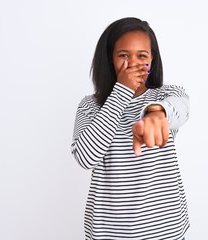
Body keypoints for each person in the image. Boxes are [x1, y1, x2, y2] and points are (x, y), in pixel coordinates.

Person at [71, 17, 190, 240]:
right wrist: (120, 93)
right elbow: (85, 158)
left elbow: (181, 108)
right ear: (110, 59)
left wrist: (156, 112)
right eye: (124, 55)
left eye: (142, 56)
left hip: (166, 231)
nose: (134, 64)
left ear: (152, 60)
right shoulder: (90, 106)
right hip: (109, 233)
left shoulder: (166, 96)